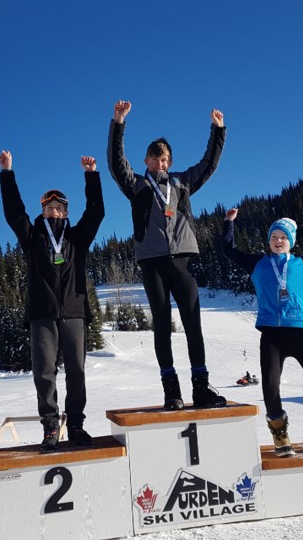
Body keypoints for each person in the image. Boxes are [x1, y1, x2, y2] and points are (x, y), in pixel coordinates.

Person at [107, 100, 227, 411]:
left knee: (193, 324)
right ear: (146, 160)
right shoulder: (137, 186)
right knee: (162, 324)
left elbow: (208, 164)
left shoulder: (182, 184)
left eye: (166, 159)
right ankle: (170, 389)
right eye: (156, 158)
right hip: (153, 263)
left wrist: (217, 131)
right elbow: (116, 164)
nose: (161, 162)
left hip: (183, 260)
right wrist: (119, 122)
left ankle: (200, 387)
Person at [220, 208, 303, 456]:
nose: (278, 241)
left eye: (283, 237)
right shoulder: (258, 264)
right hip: (271, 334)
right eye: (274, 237)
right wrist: (229, 223)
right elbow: (228, 251)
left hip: (301, 331)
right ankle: (281, 437)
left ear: (291, 241)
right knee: (270, 386)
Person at [0, 150, 105, 452]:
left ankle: (75, 426)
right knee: (44, 372)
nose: (55, 212)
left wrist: (91, 176)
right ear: (43, 212)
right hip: (42, 313)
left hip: (73, 311)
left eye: (59, 208)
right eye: (50, 208)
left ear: (66, 212)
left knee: (77, 372)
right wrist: (7, 173)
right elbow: (13, 212)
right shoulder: (32, 238)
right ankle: (50, 428)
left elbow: (96, 212)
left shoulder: (77, 238)